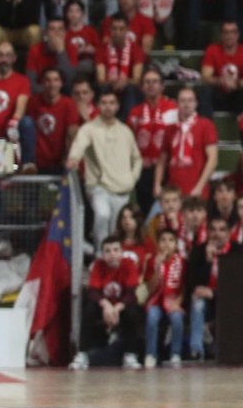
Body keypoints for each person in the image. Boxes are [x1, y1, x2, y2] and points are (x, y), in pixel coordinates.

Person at [67, 88, 142, 244]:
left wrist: (131, 178)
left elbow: (137, 158)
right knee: (102, 215)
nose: (108, 106)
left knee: (117, 227)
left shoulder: (125, 131)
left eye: (112, 103)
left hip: (122, 188)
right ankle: (99, 256)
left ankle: (112, 260)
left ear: (117, 106)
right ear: (98, 106)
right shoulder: (89, 129)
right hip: (98, 186)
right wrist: (73, 158)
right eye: (104, 103)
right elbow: (79, 145)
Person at [72, 237, 145, 370]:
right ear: (103, 254)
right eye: (108, 251)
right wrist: (106, 306)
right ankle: (82, 354)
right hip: (104, 307)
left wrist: (116, 309)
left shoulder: (129, 265)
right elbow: (93, 292)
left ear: (122, 252)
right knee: (89, 310)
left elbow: (131, 294)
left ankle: (130, 355)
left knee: (132, 312)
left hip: (121, 307)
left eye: (116, 250)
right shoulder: (98, 266)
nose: (112, 254)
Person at [142, 227, 188, 367]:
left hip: (173, 300)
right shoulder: (151, 261)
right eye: (163, 240)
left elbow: (186, 286)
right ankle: (151, 354)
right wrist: (157, 268)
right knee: (152, 317)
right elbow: (149, 288)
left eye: (170, 240)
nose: (166, 244)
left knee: (177, 318)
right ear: (158, 244)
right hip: (155, 301)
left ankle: (175, 353)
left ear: (176, 245)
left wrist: (178, 302)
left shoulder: (182, 262)